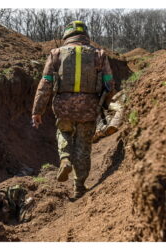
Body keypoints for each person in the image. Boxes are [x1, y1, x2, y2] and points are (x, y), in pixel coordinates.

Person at [31, 21, 115, 199]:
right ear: (86, 35)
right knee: (84, 146)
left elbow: (45, 84)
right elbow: (109, 83)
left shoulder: (56, 54)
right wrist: (108, 106)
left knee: (63, 132)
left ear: (67, 35)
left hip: (63, 106)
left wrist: (37, 111)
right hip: (89, 107)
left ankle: (65, 159)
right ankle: (79, 186)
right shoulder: (99, 54)